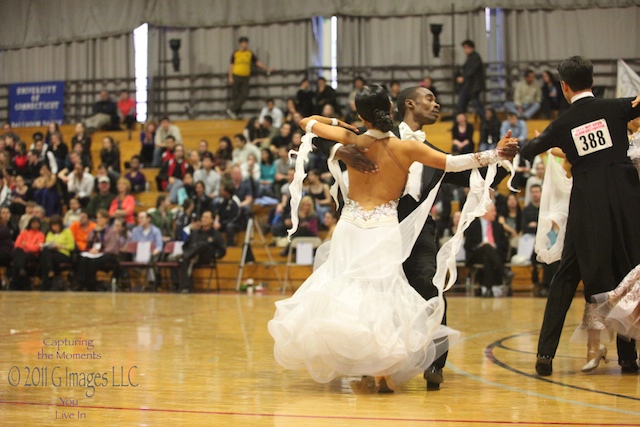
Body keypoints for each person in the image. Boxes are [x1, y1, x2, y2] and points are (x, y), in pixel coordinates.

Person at [269, 85, 517, 392]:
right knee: (383, 293)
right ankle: (382, 369)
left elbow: (307, 122)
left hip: (351, 224)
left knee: (350, 289)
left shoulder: (354, 139)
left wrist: (341, 130)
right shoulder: (406, 149)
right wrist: (497, 153)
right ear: (392, 107)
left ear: (362, 114)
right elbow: (458, 162)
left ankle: (369, 363)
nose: (436, 104)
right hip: (386, 225)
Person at [520, 56, 640, 375]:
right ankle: (628, 358)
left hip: (589, 206)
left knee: (566, 276)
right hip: (627, 202)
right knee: (626, 273)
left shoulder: (562, 124)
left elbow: (532, 148)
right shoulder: (617, 107)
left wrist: (517, 177)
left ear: (564, 87)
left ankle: (545, 356)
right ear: (592, 81)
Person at [464, 203, 510, 297]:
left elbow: (505, 244)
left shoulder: (498, 226)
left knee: (487, 257)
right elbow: (468, 245)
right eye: (493, 211)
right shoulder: (473, 225)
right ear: (485, 212)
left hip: (493, 254)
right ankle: (503, 271)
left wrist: (495, 245)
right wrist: (480, 245)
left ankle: (488, 290)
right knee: (486, 247)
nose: (495, 213)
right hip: (477, 254)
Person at [177, 210, 226, 293]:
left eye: (206, 217)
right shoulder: (195, 232)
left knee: (203, 245)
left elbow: (222, 250)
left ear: (212, 220)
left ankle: (186, 256)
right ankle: (185, 287)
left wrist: (215, 255)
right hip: (191, 256)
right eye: (203, 217)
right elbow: (185, 245)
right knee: (185, 260)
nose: (203, 219)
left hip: (205, 257)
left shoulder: (216, 234)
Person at [77, 214, 128, 292]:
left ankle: (92, 285)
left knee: (93, 262)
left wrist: (99, 251)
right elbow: (89, 242)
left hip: (109, 255)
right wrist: (91, 249)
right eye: (97, 218)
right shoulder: (94, 230)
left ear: (106, 219)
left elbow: (111, 247)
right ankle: (81, 284)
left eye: (101, 218)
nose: (98, 220)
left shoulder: (111, 232)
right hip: (95, 253)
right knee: (83, 259)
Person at [226, 36, 273, 120]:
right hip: (236, 75)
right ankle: (236, 114)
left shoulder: (249, 53)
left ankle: (232, 109)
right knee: (236, 96)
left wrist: (267, 68)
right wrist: (230, 77)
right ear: (240, 44)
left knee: (244, 94)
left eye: (246, 43)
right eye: (243, 43)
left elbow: (257, 62)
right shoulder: (235, 53)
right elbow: (231, 66)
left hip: (245, 76)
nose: (244, 44)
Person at [39, 215, 75, 291]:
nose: (54, 227)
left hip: (63, 253)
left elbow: (71, 246)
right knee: (45, 252)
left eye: (56, 225)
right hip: (51, 254)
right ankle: (50, 271)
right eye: (52, 225)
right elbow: (47, 243)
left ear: (60, 225)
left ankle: (46, 282)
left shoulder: (67, 232)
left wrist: (60, 246)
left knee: (45, 258)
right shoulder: (50, 233)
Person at [10, 216, 45, 290]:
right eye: (33, 223)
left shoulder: (41, 234)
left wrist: (25, 244)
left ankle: (14, 284)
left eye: (36, 223)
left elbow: (36, 248)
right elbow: (17, 244)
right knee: (18, 251)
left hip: (33, 255)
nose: (35, 225)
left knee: (18, 259)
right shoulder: (24, 232)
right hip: (22, 253)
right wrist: (29, 246)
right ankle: (21, 269)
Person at [456, 40, 484, 116]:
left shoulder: (475, 57)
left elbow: (471, 70)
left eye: (466, 48)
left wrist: (463, 77)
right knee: (464, 105)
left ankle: (485, 121)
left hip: (472, 86)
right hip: (469, 86)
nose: (465, 50)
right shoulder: (471, 57)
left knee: (475, 105)